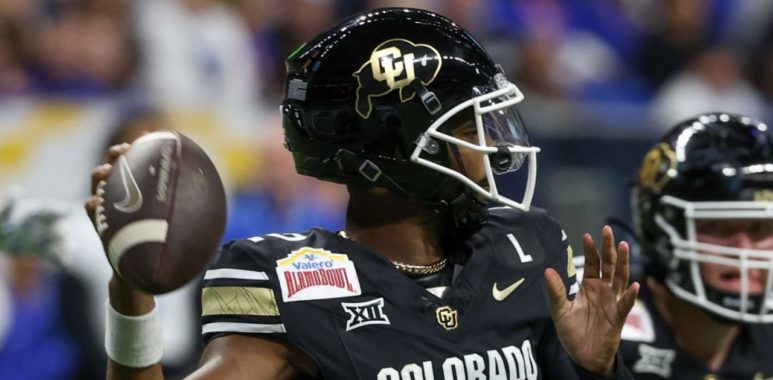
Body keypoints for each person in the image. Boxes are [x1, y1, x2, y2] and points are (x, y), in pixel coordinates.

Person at [85, 8, 640, 379]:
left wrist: (596, 370)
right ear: (391, 153)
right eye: (468, 130)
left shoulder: (527, 246)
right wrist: (130, 292)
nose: (492, 152)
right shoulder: (286, 280)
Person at [620, 112, 773, 379]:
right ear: (660, 229)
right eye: (717, 226)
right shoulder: (603, 330)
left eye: (760, 228)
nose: (743, 250)